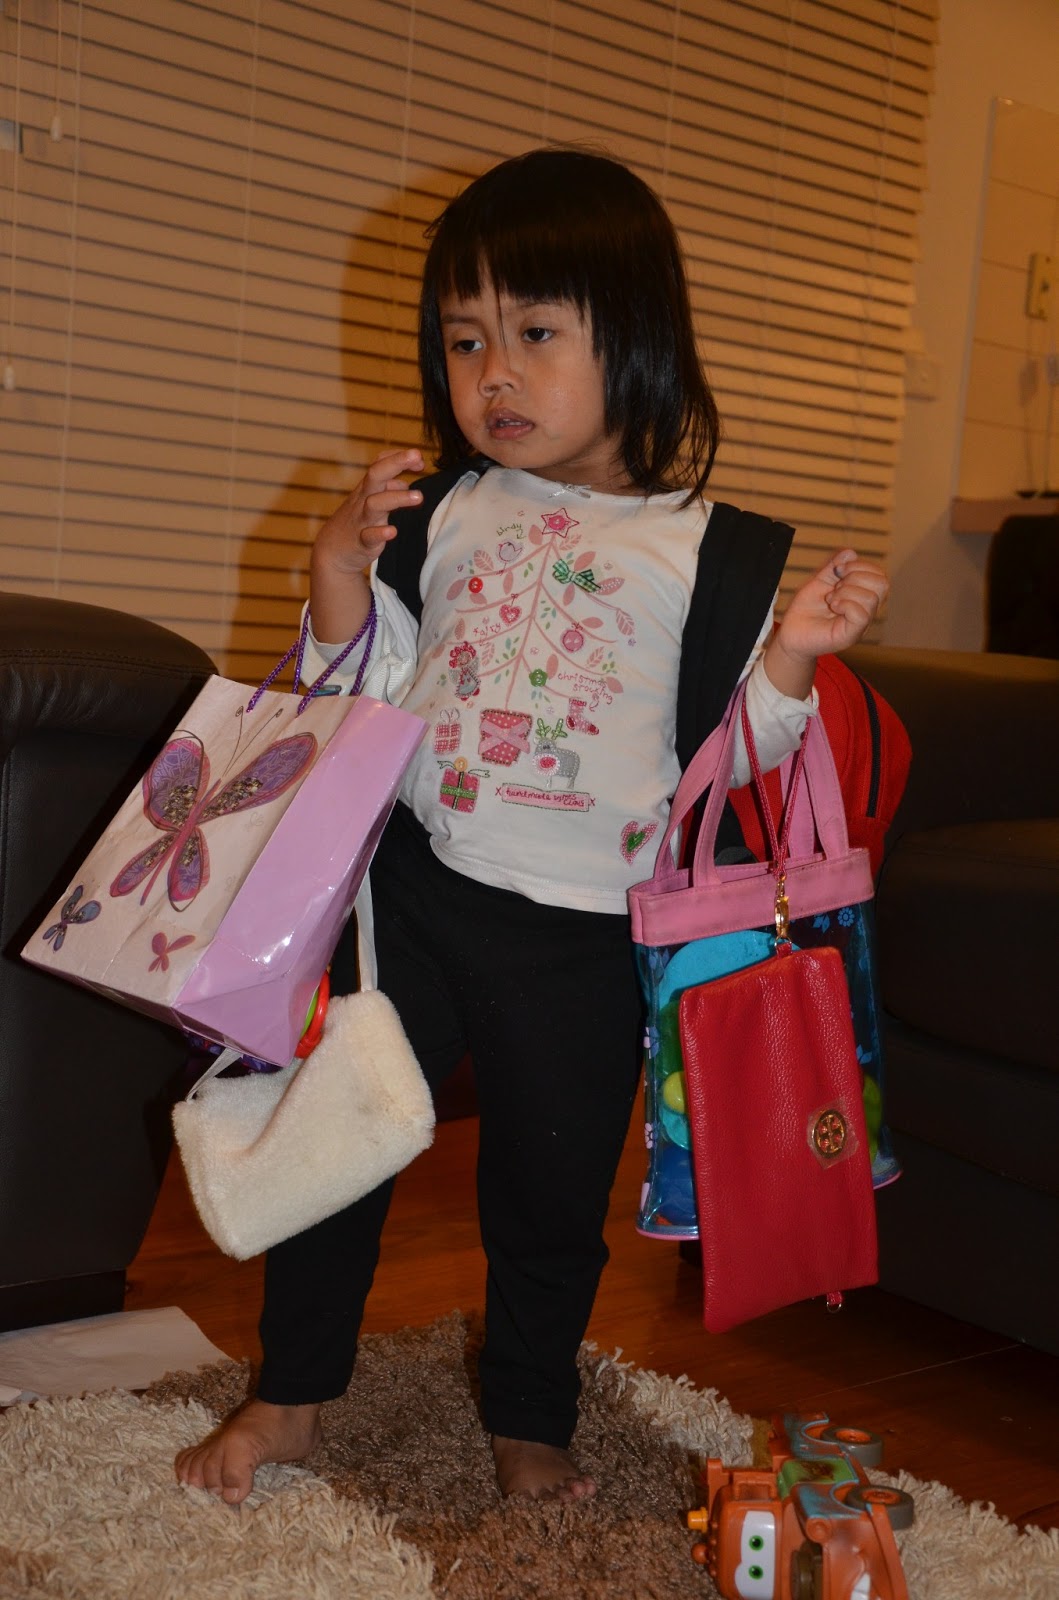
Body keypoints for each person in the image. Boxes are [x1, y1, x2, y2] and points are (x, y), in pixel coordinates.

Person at [176, 146, 888, 1506]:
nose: (493, 374)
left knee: (550, 1201)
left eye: (536, 335)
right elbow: (361, 682)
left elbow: (732, 762)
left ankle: (530, 1417)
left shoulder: (709, 549)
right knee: (333, 1152)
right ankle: (290, 1396)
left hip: (584, 936)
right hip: (415, 893)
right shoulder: (444, 511)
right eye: (465, 341)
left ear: (638, 340)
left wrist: (794, 655)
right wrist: (337, 566)